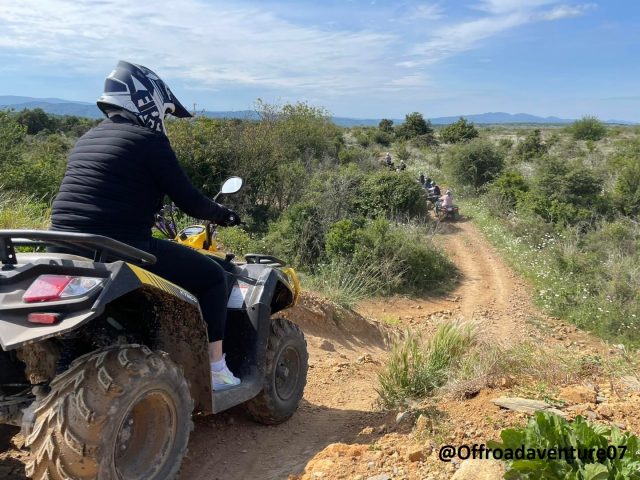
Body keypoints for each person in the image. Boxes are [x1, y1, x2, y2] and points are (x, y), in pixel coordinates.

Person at [50, 61, 241, 390]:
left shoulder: (88, 138)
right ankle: (217, 370)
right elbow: (191, 201)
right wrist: (224, 215)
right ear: (147, 100)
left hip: (61, 245)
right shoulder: (149, 142)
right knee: (213, 278)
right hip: (119, 246)